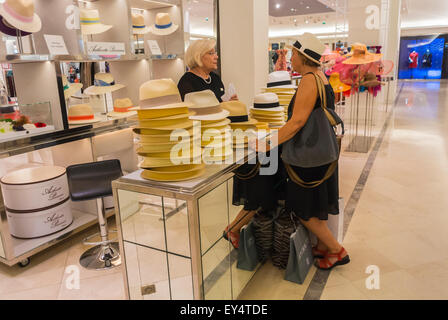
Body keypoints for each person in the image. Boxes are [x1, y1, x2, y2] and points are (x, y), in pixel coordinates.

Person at [250, 33, 350, 270]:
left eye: (293, 54)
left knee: (303, 209)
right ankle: (323, 247)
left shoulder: (307, 80)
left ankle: (337, 251)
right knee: (316, 205)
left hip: (309, 156)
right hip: (322, 152)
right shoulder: (320, 77)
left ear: (303, 57)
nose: (290, 58)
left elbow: (297, 122)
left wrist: (268, 143)